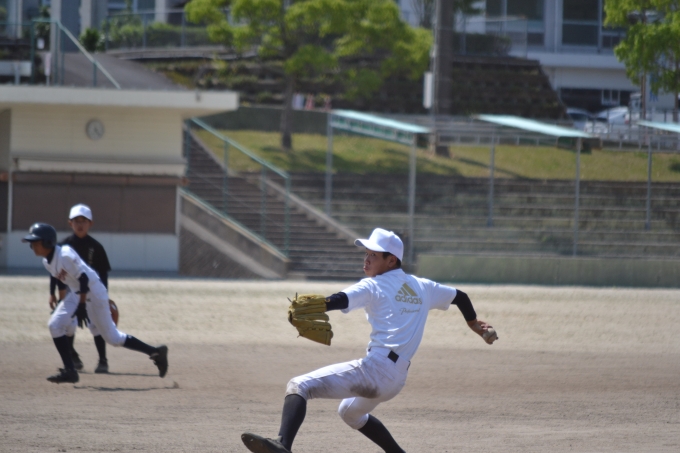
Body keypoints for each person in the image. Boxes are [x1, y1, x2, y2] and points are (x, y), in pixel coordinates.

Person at [241, 228, 498, 453]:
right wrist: (473, 323)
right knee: (349, 412)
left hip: (376, 370)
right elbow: (460, 296)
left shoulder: (373, 286)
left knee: (299, 385)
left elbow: (342, 299)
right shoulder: (422, 286)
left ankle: (282, 445)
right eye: (366, 253)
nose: (366, 258)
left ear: (391, 260)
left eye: (373, 254)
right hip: (396, 379)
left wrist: (319, 305)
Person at [23, 222, 169, 384]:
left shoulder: (64, 254)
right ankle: (70, 371)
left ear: (48, 242)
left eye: (36, 242)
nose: (33, 246)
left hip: (94, 292)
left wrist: (82, 305)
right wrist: (66, 300)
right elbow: (66, 282)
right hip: (77, 293)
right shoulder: (47, 262)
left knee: (113, 338)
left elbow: (84, 278)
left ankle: (156, 352)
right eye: (31, 243)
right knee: (55, 325)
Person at [50, 204, 112, 374]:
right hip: (70, 291)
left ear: (90, 223)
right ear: (70, 223)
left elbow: (103, 273)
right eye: (76, 221)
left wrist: (105, 295)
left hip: (91, 292)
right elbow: (55, 272)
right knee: (68, 323)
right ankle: (72, 357)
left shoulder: (96, 247)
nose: (80, 224)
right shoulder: (63, 245)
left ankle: (103, 360)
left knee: (95, 324)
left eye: (84, 221)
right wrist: (52, 293)